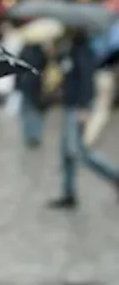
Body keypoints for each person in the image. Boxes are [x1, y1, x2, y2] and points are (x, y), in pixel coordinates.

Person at [50, 30, 119, 209]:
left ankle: (115, 176)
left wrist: (84, 106)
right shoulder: (70, 49)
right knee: (67, 152)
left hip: (77, 107)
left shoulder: (83, 50)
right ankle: (68, 193)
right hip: (70, 105)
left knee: (78, 151)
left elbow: (87, 80)